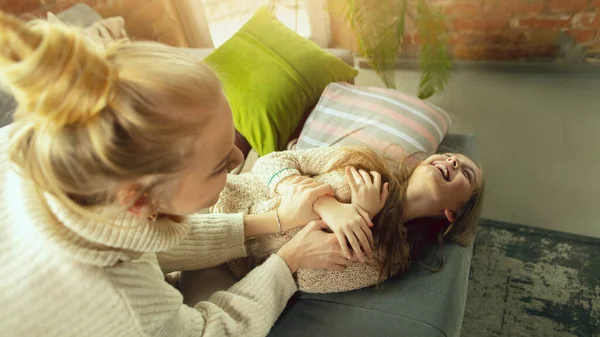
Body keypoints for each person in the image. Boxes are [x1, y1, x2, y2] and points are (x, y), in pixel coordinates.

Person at [0, 13, 355, 337]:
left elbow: (141, 239)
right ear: (139, 199)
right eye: (220, 166)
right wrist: (287, 260)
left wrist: (276, 219)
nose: (238, 156)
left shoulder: (47, 151)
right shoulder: (126, 307)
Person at [213, 145, 485, 293]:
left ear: (453, 213)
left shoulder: (387, 256)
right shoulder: (364, 162)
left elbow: (306, 279)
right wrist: (327, 205)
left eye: (466, 173)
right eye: (450, 156)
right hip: (217, 197)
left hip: (227, 263)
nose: (452, 162)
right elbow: (270, 162)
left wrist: (362, 215)